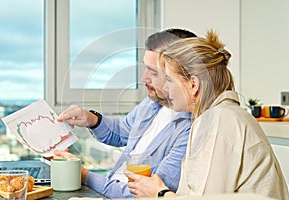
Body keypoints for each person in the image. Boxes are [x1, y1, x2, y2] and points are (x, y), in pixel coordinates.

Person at [125, 30, 289, 199]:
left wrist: (159, 193)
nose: (165, 88)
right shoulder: (217, 116)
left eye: (169, 80)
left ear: (193, 85)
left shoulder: (219, 122)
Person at [55, 28, 197, 198]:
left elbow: (143, 193)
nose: (144, 78)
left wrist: (84, 176)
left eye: (153, 72)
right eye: (146, 69)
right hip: (105, 190)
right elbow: (123, 131)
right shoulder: (154, 102)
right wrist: (92, 119)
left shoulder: (191, 128)